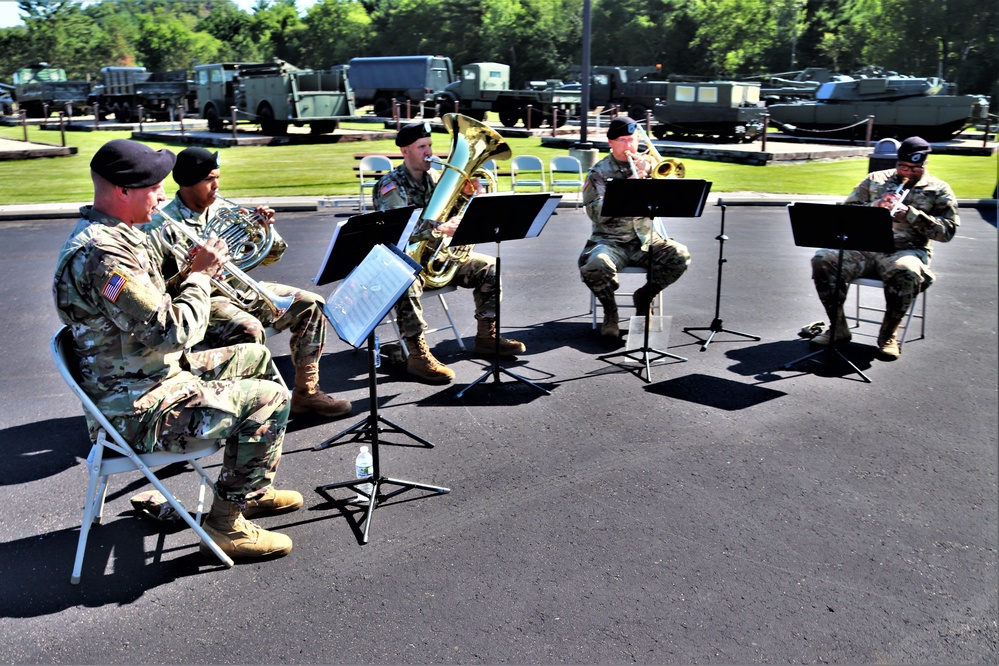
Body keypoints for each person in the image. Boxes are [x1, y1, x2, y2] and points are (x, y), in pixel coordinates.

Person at [54, 139, 302, 560]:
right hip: (137, 408)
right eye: (154, 187)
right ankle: (226, 524)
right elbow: (173, 332)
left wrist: (189, 271)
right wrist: (201, 277)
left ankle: (247, 485)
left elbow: (147, 311)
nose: (164, 196)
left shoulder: (120, 236)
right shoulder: (102, 255)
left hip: (150, 376)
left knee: (256, 355)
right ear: (123, 191)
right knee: (271, 397)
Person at [143, 147, 350, 418]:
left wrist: (266, 229)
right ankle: (255, 407)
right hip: (205, 300)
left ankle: (306, 393)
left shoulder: (223, 209)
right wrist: (190, 272)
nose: (216, 185)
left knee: (311, 305)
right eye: (208, 179)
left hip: (241, 289)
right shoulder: (160, 226)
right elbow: (160, 291)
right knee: (249, 330)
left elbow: (272, 256)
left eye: (217, 177)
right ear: (187, 183)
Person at [373, 120, 525, 384]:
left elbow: (455, 218)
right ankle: (418, 355)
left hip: (437, 258)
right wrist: (441, 228)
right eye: (421, 146)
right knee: (405, 280)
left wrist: (469, 197)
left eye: (430, 145)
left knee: (489, 267)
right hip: (403, 261)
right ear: (405, 151)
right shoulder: (391, 185)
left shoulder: (436, 179)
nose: (429, 151)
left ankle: (486, 337)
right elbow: (400, 227)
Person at [810, 136, 959, 360]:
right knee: (823, 258)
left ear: (924, 165)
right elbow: (845, 213)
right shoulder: (875, 179)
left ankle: (888, 334)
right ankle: (838, 327)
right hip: (864, 248)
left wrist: (912, 215)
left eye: (914, 168)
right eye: (903, 166)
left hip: (906, 250)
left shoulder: (939, 189)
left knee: (906, 270)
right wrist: (875, 206)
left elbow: (947, 232)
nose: (907, 172)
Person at [580, 116, 692, 338]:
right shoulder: (598, 172)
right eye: (622, 140)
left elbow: (672, 199)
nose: (629, 146)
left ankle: (644, 297)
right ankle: (610, 311)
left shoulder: (650, 166)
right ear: (610, 142)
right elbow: (596, 214)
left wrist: (651, 175)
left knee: (680, 255)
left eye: (632, 140)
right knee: (596, 264)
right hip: (611, 240)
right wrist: (628, 185)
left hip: (647, 238)